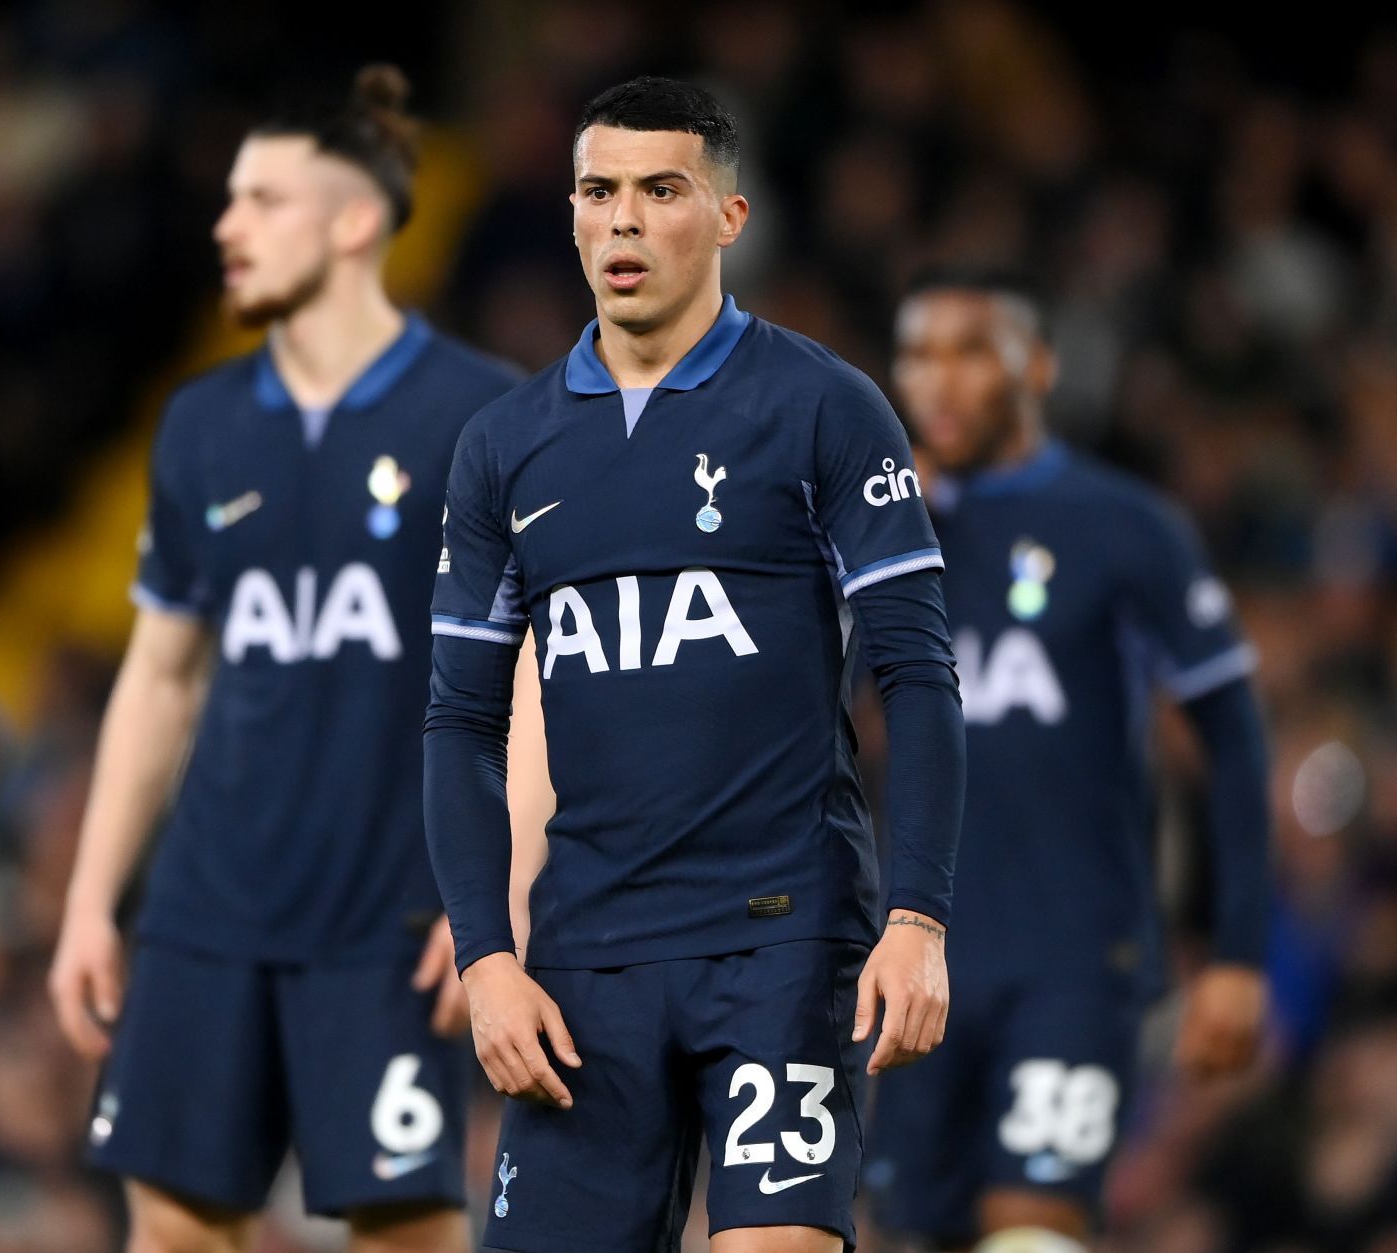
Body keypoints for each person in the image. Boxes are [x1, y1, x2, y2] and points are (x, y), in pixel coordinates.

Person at [424, 76, 965, 1253]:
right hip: (582, 962)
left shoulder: (825, 407)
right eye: (598, 191)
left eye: (660, 190)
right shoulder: (504, 449)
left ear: (729, 217)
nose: (622, 220)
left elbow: (917, 674)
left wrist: (917, 914)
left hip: (781, 935)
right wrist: (487, 956)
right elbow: (460, 723)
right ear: (569, 214)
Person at [46, 66, 517, 1253]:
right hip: (208, 908)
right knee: (172, 1225)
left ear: (354, 222)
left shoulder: (483, 418)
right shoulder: (201, 422)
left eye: (261, 199)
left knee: (406, 1228)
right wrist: (94, 899)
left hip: (390, 915)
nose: (225, 225)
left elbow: (543, 681)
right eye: (228, 198)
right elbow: (160, 674)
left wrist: (501, 898)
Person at [864, 266, 1272, 1253]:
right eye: (918, 354)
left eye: (972, 351)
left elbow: (1234, 732)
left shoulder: (1126, 527)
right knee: (914, 1230)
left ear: (1036, 367)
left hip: (1075, 954)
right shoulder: (875, 533)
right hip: (914, 955)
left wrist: (1239, 950)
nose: (939, 381)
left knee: (1035, 1223)